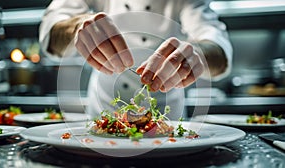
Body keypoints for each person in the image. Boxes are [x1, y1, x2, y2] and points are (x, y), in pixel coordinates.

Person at [39, 0, 233, 120]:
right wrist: (77, 27)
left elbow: (216, 44)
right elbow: (51, 33)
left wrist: (196, 53)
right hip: (105, 108)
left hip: (168, 116)